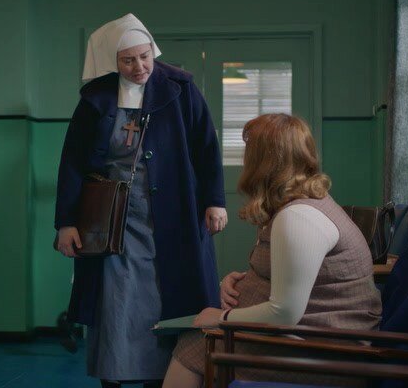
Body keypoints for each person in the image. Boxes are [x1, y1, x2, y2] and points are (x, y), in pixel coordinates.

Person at [54, 14, 227, 388]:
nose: (139, 67)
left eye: (144, 57)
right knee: (116, 298)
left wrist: (215, 201)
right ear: (113, 61)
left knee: (167, 295)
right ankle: (114, 374)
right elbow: (73, 162)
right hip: (111, 218)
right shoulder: (96, 98)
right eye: (128, 60)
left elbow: (206, 147)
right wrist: (66, 223)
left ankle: (164, 376)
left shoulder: (181, 88)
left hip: (174, 211)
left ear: (153, 51)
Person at [163, 113, 382, 387]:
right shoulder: (302, 203)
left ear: (262, 162)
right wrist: (238, 282)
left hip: (326, 352)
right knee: (196, 338)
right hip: (316, 338)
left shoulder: (298, 218)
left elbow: (285, 313)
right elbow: (295, 277)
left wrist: (221, 317)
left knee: (194, 344)